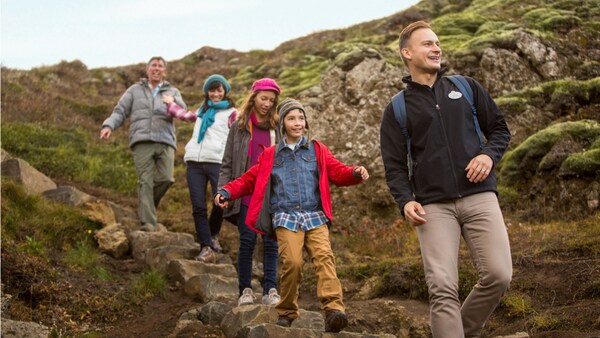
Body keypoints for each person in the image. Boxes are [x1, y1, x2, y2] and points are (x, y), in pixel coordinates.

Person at [379, 21, 512, 338]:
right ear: (407, 53)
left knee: (499, 274)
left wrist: (488, 156)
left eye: (437, 42)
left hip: (480, 196)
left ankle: (459, 330)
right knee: (442, 287)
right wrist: (405, 200)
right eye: (427, 44)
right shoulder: (397, 108)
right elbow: (394, 165)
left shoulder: (466, 87)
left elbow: (500, 131)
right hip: (433, 206)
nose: (436, 48)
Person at [215, 98, 370, 333]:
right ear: (282, 124)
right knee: (293, 263)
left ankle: (333, 310)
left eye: (301, 117)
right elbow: (249, 179)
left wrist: (355, 173)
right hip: (285, 217)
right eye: (291, 118)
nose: (298, 123)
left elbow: (337, 172)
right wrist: (226, 191)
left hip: (314, 216)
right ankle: (287, 311)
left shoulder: (317, 149)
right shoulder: (270, 155)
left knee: (325, 258)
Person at [100, 56, 186, 232]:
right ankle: (148, 223)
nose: (157, 68)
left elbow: (182, 111)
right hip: (141, 140)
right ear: (147, 69)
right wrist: (109, 125)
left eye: (160, 66)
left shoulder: (172, 91)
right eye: (153, 65)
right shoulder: (134, 90)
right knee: (145, 181)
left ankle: (146, 208)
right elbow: (120, 110)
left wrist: (172, 103)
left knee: (166, 178)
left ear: (164, 71)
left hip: (165, 139)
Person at [217, 78, 282, 307]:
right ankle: (245, 290)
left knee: (271, 243)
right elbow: (227, 162)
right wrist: (223, 191)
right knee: (246, 241)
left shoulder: (278, 126)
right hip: (245, 193)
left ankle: (270, 290)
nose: (267, 103)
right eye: (263, 98)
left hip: (271, 195)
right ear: (253, 97)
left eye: (271, 100)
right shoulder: (240, 126)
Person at [161, 74, 236, 262]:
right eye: (212, 90)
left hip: (218, 162)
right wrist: (170, 103)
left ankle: (213, 234)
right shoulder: (202, 111)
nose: (216, 94)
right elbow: (184, 115)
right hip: (194, 162)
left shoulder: (232, 113)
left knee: (220, 201)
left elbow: (241, 133)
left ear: (225, 91)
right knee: (198, 206)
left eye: (219, 90)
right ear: (207, 92)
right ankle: (206, 246)